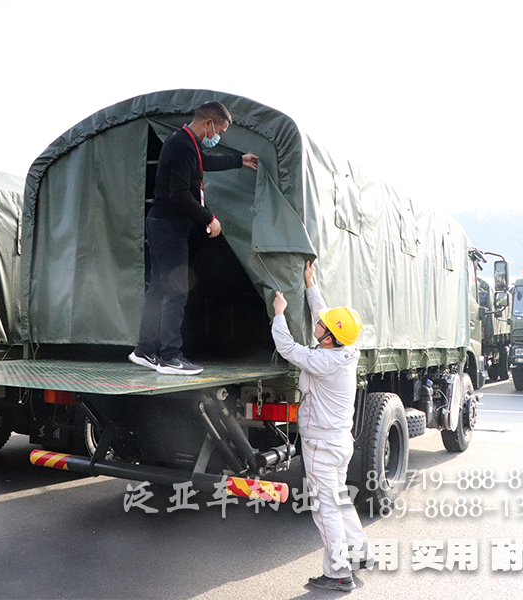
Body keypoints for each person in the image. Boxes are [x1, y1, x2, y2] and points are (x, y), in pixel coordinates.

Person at [129, 101, 259, 375]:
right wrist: (209, 218)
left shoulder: (186, 143)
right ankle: (170, 357)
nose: (218, 136)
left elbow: (204, 163)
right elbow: (179, 195)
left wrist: (240, 160)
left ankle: (144, 350)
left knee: (158, 291)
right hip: (168, 226)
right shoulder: (180, 145)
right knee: (176, 291)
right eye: (220, 131)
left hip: (163, 224)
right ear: (208, 123)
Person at [272, 261, 372, 592]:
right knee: (340, 499)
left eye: (323, 327)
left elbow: (287, 348)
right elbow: (325, 315)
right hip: (338, 442)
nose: (318, 324)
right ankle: (359, 554)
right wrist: (310, 284)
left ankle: (338, 573)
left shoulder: (322, 361)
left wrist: (279, 313)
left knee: (326, 508)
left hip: (320, 445)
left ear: (328, 339)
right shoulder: (346, 350)